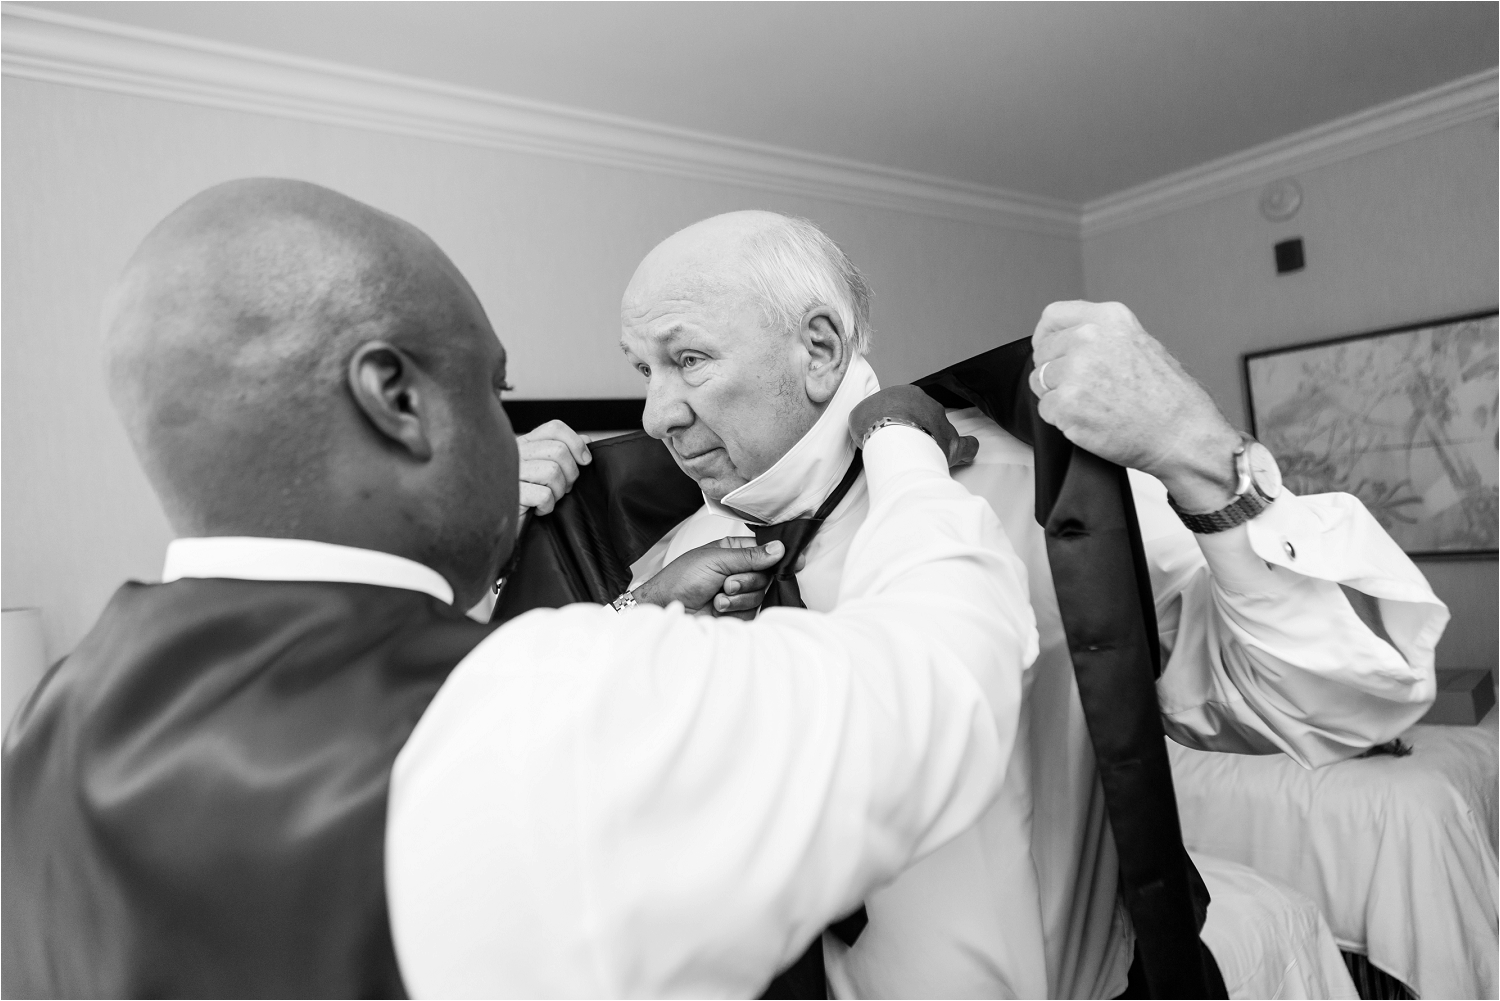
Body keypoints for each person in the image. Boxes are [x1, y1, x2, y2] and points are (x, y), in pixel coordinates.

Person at [1, 181, 1042, 998]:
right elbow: (944, 678)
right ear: (396, 399)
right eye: (494, 393)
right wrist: (900, 444)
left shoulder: (48, 724)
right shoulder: (542, 707)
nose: (654, 417)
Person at [519, 210, 1448, 998]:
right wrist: (490, 543)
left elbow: (1338, 702)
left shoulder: (1054, 501)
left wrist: (1196, 448)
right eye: (643, 369)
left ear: (819, 348)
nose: (655, 414)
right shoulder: (661, 574)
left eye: (686, 359)